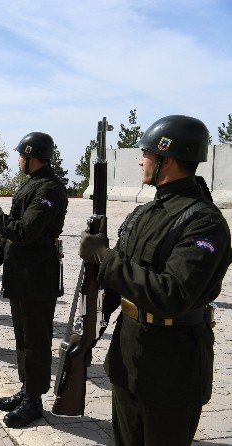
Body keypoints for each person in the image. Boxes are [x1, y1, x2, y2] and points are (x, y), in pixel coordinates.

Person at [79, 115, 232, 446]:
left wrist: (105, 258)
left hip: (172, 367)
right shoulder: (146, 212)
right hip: (130, 353)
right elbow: (122, 275)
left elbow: (172, 294)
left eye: (146, 153)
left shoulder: (204, 222)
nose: (140, 159)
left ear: (168, 160)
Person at [0, 132, 68, 428]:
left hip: (37, 276)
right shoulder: (32, 184)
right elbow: (15, 234)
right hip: (22, 273)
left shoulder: (50, 189)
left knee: (36, 341)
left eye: (21, 155)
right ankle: (26, 389)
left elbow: (23, 231)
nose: (18, 160)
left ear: (32, 156)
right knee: (23, 338)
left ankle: (35, 400)